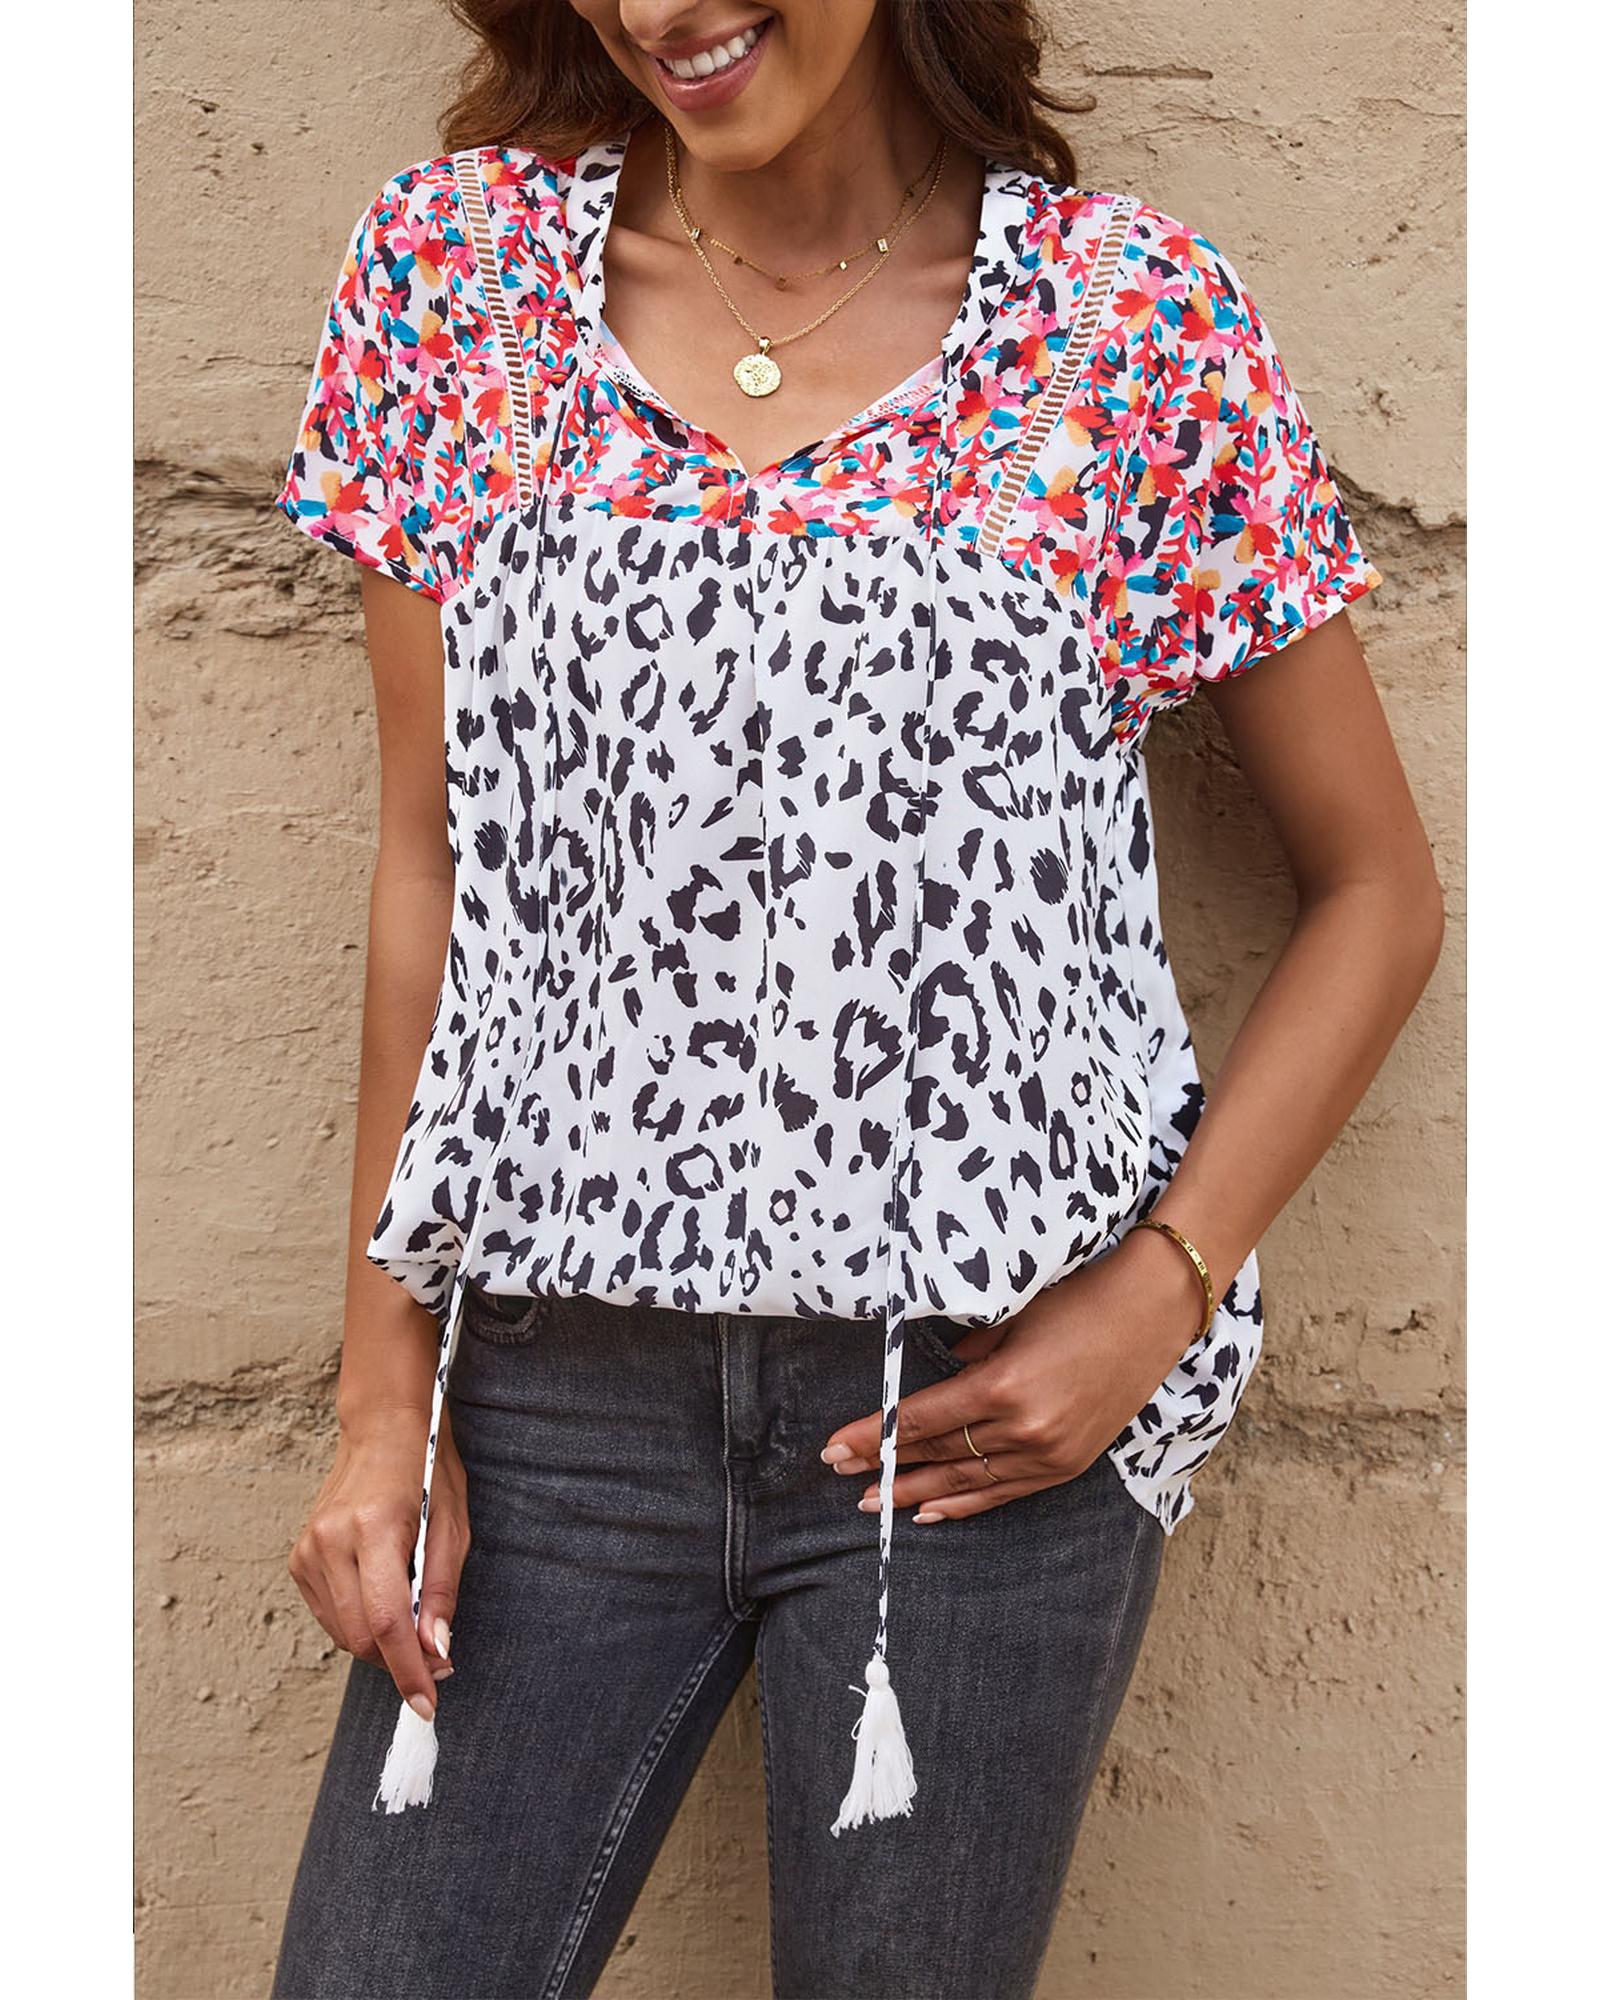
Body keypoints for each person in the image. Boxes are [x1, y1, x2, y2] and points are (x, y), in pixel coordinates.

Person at [267, 4, 1442, 1996]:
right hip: (546, 1400)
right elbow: (434, 867)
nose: (661, 9)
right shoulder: (454, 278)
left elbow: (1377, 893)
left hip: (979, 1421)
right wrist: (388, 1399)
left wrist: (1152, 1298)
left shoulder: (1127, 322)